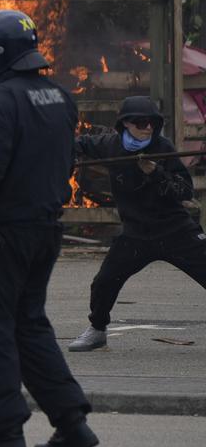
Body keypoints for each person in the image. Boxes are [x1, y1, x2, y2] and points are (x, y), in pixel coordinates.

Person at [0, 9, 98, 447]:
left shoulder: (1, 101)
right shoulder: (58, 97)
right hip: (44, 230)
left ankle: (2, 433)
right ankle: (71, 421)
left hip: (1, 234)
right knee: (28, 324)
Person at [69, 96, 200, 351]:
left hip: (175, 231)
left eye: (152, 123)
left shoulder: (163, 148)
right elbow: (80, 144)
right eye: (140, 123)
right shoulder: (110, 146)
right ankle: (97, 330)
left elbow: (185, 191)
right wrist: (68, 155)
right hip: (136, 235)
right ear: (124, 124)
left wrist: (156, 174)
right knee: (104, 282)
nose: (148, 128)